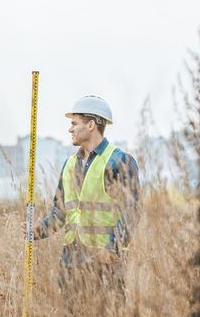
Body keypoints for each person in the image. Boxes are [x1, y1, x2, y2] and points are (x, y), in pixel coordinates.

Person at [23, 94, 140, 296]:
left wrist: (112, 247)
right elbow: (61, 212)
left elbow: (132, 211)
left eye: (74, 123)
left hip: (106, 267)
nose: (70, 129)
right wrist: (37, 230)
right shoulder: (69, 165)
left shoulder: (120, 161)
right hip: (70, 265)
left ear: (91, 125)